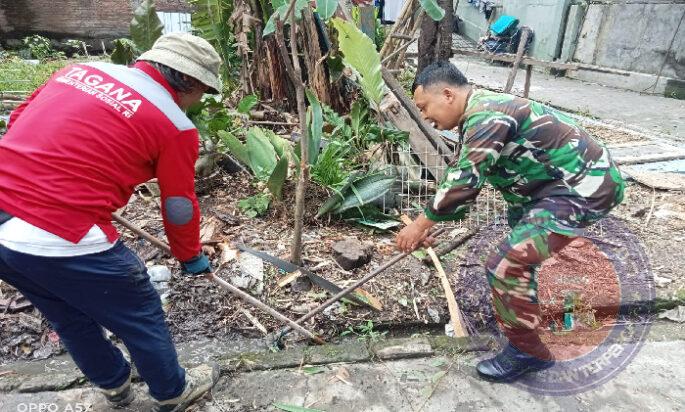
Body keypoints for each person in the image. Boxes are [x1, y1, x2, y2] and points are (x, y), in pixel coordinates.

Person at [0, 33, 223, 410]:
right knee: (139, 309)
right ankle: (171, 391)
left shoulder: (76, 71)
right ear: (189, 81)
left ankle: (114, 385)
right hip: (61, 228)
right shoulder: (175, 125)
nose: (199, 101)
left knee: (65, 311)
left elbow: (20, 120)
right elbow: (178, 206)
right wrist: (189, 257)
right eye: (203, 91)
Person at [397, 61, 625, 382]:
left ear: (447, 94)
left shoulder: (486, 114)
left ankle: (528, 352)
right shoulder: (478, 115)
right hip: (551, 191)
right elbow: (462, 180)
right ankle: (542, 312)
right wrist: (432, 223)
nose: (425, 117)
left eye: (424, 107)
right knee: (517, 251)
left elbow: (464, 183)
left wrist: (419, 225)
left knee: (506, 265)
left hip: (580, 189)